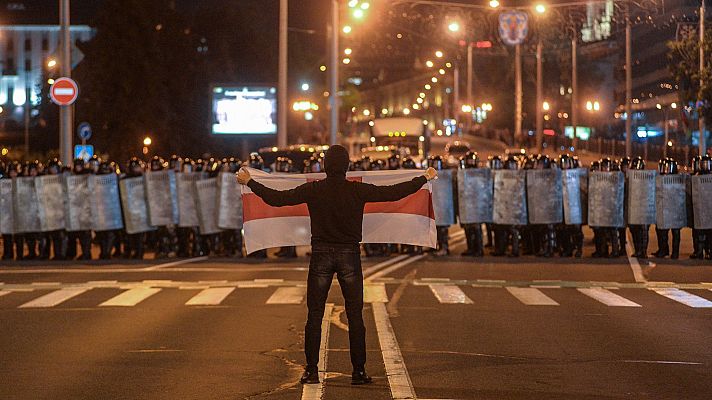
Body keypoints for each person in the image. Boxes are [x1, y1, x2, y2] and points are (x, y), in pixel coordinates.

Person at [237, 144, 436, 385]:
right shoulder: (357, 190)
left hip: (320, 254)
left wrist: (250, 182)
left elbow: (277, 199)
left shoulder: (314, 189)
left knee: (315, 316)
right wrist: (423, 177)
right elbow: (394, 192)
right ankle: (358, 372)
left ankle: (311, 371)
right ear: (347, 167)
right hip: (349, 255)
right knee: (355, 316)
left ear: (324, 166)